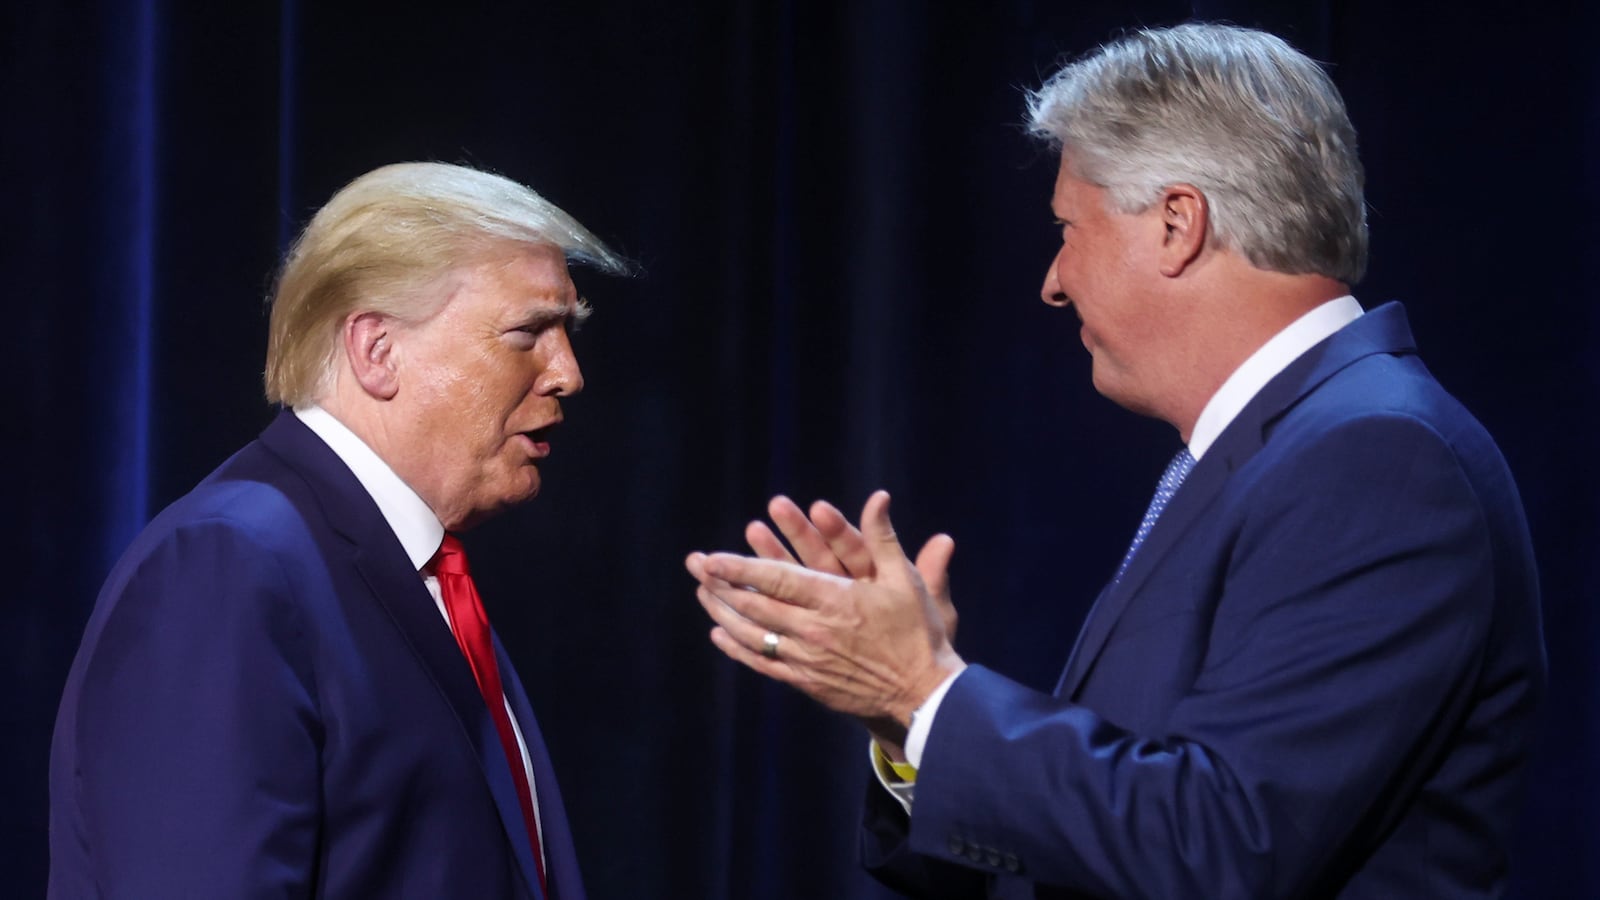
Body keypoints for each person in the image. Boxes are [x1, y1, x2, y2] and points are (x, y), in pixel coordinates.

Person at [687, 22, 1545, 899]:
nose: (1054, 280)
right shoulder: (1285, 449)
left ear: (1177, 224)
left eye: (1069, 228)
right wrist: (908, 722)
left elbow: (1219, 845)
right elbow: (1126, 822)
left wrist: (926, 693)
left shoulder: (1378, 459)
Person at [49, 161, 625, 898]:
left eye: (567, 331)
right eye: (528, 332)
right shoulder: (229, 564)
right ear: (376, 350)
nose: (567, 373)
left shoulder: (415, 571)